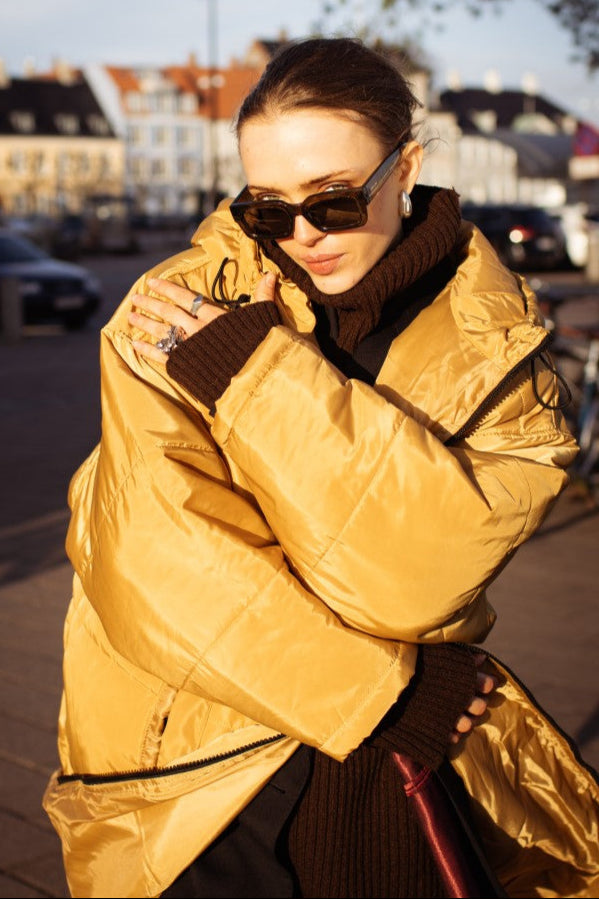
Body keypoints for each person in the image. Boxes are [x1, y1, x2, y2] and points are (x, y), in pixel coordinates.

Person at [43, 37, 599, 899]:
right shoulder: (175, 306)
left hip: (389, 781)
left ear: (404, 166)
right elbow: (153, 561)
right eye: (266, 209)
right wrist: (384, 692)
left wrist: (253, 377)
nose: (302, 235)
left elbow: (417, 580)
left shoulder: (501, 353)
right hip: (195, 770)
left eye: (334, 201)